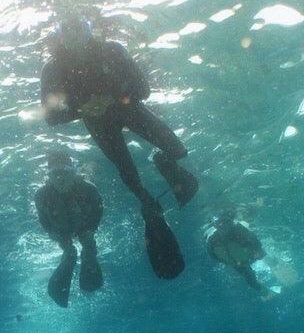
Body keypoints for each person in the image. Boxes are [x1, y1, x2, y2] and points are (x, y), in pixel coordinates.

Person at [40, 17, 196, 279]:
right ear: (60, 35)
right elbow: (51, 117)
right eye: (68, 31)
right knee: (129, 173)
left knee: (177, 150)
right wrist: (82, 108)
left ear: (90, 30)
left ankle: (163, 163)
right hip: (99, 123)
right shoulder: (53, 68)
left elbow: (143, 89)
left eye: (80, 27)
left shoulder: (112, 50)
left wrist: (111, 98)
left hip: (128, 109)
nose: (75, 36)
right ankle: (150, 210)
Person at [34, 151, 104, 307]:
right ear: (49, 176)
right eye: (55, 174)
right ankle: (70, 256)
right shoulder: (41, 194)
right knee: (70, 252)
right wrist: (55, 235)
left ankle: (87, 256)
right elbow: (43, 219)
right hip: (61, 229)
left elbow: (98, 209)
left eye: (64, 172)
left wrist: (91, 229)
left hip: (84, 226)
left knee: (88, 246)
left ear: (73, 172)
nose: (60, 178)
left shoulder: (88, 188)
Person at [207, 209, 267, 293]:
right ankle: (261, 289)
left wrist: (225, 261)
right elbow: (256, 242)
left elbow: (212, 255)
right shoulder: (238, 229)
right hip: (241, 258)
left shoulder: (213, 239)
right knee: (249, 269)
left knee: (247, 272)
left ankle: (260, 289)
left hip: (235, 260)